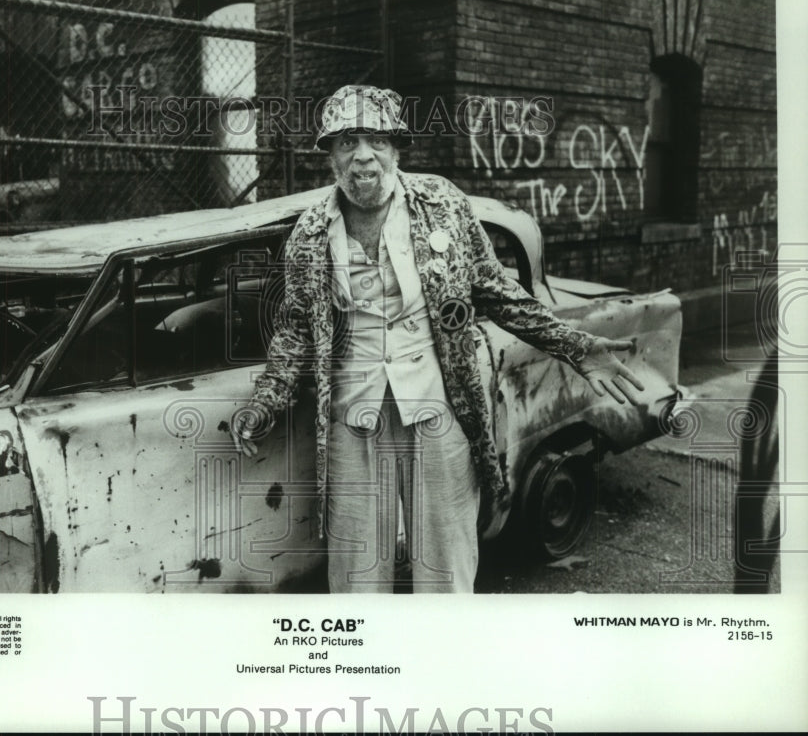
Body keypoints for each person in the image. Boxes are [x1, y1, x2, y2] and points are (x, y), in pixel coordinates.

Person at [231, 84, 644, 593]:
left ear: (396, 148)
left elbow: (498, 294)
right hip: (351, 416)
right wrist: (266, 401)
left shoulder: (442, 205)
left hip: (437, 407)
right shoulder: (310, 234)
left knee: (445, 563)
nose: (363, 155)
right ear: (330, 155)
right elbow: (296, 331)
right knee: (357, 572)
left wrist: (576, 344)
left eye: (376, 140)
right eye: (346, 142)